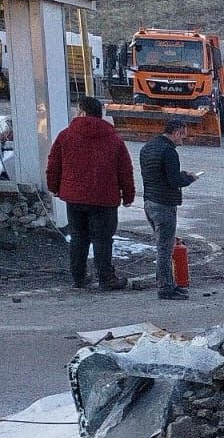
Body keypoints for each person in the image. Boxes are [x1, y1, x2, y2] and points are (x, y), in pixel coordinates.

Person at [45, 95, 134, 291]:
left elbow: (53, 165)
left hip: (74, 197)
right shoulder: (114, 139)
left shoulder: (65, 135)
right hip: (105, 198)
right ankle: (106, 278)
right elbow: (125, 170)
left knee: (78, 237)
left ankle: (79, 277)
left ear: (83, 112)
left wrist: (54, 188)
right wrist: (128, 196)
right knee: (103, 239)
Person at [138, 115, 197, 300]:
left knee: (163, 246)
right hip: (164, 204)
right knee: (165, 249)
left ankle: (168, 284)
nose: (182, 140)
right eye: (182, 136)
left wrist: (178, 174)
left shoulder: (148, 148)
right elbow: (173, 181)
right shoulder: (169, 152)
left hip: (149, 202)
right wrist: (189, 178)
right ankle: (165, 288)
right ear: (177, 132)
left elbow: (159, 175)